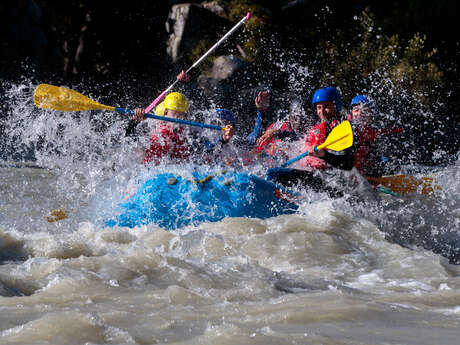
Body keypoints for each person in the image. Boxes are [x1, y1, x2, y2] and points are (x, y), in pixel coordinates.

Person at [266, 87, 354, 197]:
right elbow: (299, 137)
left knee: (275, 174)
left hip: (330, 180)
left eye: (326, 107)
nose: (322, 111)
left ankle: (275, 196)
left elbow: (347, 164)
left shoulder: (341, 129)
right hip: (312, 175)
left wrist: (324, 155)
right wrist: (278, 133)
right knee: (272, 170)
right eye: (319, 107)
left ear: (336, 106)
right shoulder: (316, 127)